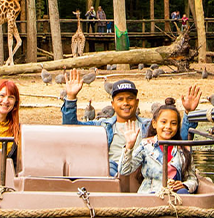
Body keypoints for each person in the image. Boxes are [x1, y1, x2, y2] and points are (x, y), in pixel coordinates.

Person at [62, 71, 198, 177]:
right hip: (112, 174)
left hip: (144, 173)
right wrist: (71, 98)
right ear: (113, 104)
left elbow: (180, 138)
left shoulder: (149, 125)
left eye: (130, 99)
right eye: (120, 99)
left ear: (137, 102)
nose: (125, 103)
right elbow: (71, 128)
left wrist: (188, 113)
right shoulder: (103, 126)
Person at [118, 98, 198, 194]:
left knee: (183, 192)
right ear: (154, 124)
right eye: (163, 122)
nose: (168, 126)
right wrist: (129, 146)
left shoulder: (182, 150)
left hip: (174, 196)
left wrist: (184, 185)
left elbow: (192, 179)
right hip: (150, 195)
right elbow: (124, 171)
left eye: (173, 123)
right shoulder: (146, 145)